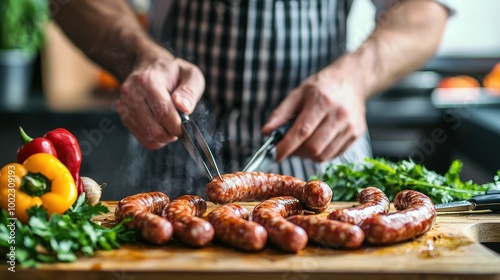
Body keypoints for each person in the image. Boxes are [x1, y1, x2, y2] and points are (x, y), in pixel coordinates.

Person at [50, 0, 451, 198]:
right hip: (172, 176)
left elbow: (425, 11)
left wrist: (355, 77)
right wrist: (142, 55)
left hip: (322, 173)